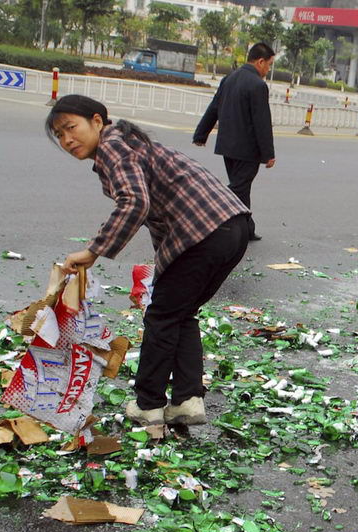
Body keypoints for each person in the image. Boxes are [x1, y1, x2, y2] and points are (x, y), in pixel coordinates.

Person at [47, 95, 251, 427]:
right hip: (230, 227)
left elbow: (134, 202)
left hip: (203, 231)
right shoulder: (125, 144)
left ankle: (148, 404)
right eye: (60, 135)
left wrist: (93, 251)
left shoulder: (113, 146)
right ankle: (187, 400)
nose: (67, 139)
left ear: (97, 121)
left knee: (161, 317)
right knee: (179, 314)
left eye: (71, 128)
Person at [193, 42, 276, 241]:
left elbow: (214, 107)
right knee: (237, 189)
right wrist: (268, 154)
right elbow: (262, 122)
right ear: (260, 61)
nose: (268, 69)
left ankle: (247, 228)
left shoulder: (229, 79)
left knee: (242, 189)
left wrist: (201, 134)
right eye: (269, 65)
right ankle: (204, 216)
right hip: (247, 150)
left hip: (227, 147)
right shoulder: (258, 85)